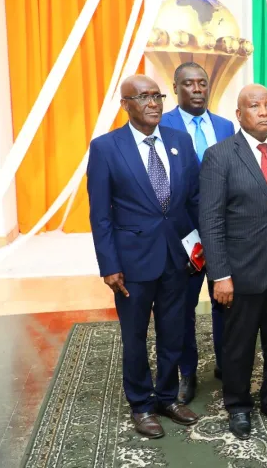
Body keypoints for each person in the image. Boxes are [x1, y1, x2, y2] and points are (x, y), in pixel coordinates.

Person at [87, 75, 200, 438]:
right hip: (132, 262)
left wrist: (201, 250)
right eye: (143, 97)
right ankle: (140, 404)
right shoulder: (106, 147)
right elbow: (100, 214)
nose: (153, 103)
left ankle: (167, 397)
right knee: (135, 336)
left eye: (157, 95)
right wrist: (110, 265)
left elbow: (193, 202)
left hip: (176, 258)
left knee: (173, 332)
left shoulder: (181, 141)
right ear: (125, 105)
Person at [199, 84, 267, 440]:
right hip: (240, 270)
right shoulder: (220, 155)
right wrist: (220, 274)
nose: (264, 111)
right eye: (254, 106)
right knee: (239, 344)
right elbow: (210, 220)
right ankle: (238, 406)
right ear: (239, 115)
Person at [159, 61, 236, 404]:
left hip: (222, 232)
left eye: (202, 83)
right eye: (188, 84)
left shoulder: (225, 126)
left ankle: (226, 363)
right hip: (183, 235)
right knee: (184, 307)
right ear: (175, 88)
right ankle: (186, 372)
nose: (197, 89)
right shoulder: (162, 125)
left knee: (227, 302)